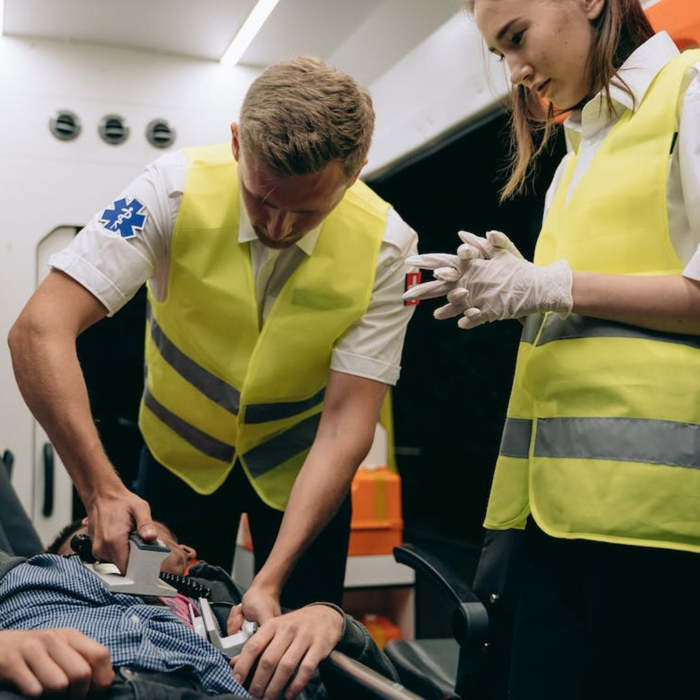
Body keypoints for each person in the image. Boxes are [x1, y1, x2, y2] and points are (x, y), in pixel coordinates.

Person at [8, 56, 418, 634]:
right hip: (177, 461)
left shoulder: (389, 247)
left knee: (300, 640)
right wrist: (100, 488)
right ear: (235, 144)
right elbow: (37, 331)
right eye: (261, 199)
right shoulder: (167, 192)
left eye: (305, 210)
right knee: (157, 626)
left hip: (302, 469)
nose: (277, 227)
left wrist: (270, 581)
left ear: (354, 174)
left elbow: (348, 421)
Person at [404, 1, 700, 698]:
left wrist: (553, 284)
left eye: (517, 39)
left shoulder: (690, 92)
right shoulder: (578, 151)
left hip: (654, 527)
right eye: (499, 54)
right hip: (553, 519)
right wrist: (515, 293)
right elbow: (595, 314)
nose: (516, 71)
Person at [0, 520, 398, 699]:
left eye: (148, 529)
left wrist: (332, 621)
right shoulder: (23, 573)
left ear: (185, 555)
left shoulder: (229, 611)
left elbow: (386, 688)